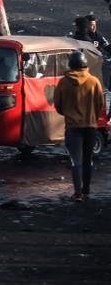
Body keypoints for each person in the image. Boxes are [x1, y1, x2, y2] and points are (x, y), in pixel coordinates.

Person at [53, 50, 106, 201]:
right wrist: (92, 117)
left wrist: (69, 114)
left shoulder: (64, 82)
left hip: (73, 127)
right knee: (88, 159)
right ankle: (87, 189)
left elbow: (58, 105)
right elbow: (100, 103)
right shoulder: (94, 81)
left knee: (76, 160)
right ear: (85, 64)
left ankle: (77, 193)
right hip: (90, 126)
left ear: (71, 65)